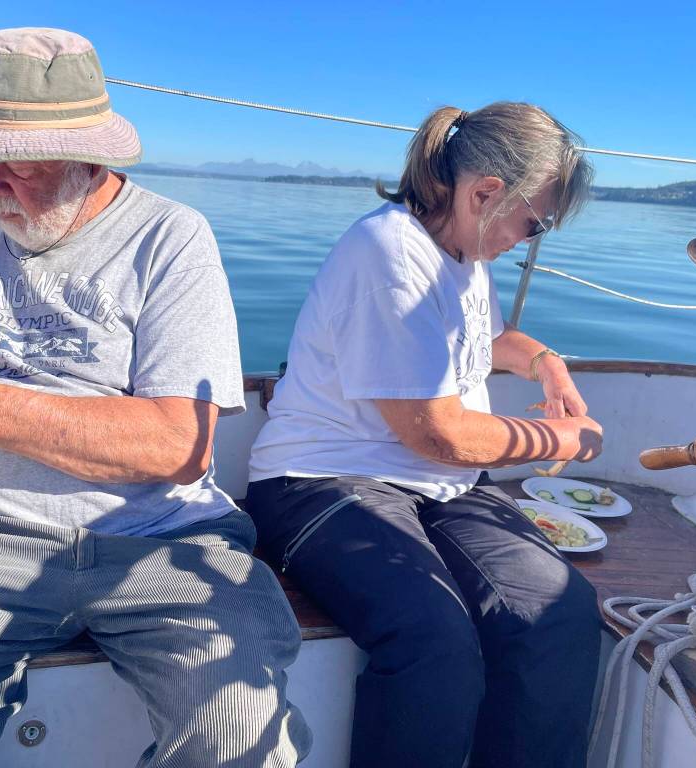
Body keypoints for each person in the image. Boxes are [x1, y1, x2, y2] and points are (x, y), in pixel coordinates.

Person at [0, 27, 309, 768]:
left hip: (162, 543)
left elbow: (179, 445)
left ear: (89, 156)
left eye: (15, 165)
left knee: (240, 732)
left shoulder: (171, 239)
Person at [245, 102, 602, 768]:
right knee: (434, 642)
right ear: (485, 193)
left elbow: (489, 341)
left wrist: (546, 364)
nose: (532, 238)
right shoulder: (389, 253)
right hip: (319, 480)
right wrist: (563, 441)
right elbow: (439, 434)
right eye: (537, 221)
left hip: (438, 486)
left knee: (559, 614)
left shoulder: (467, 249)